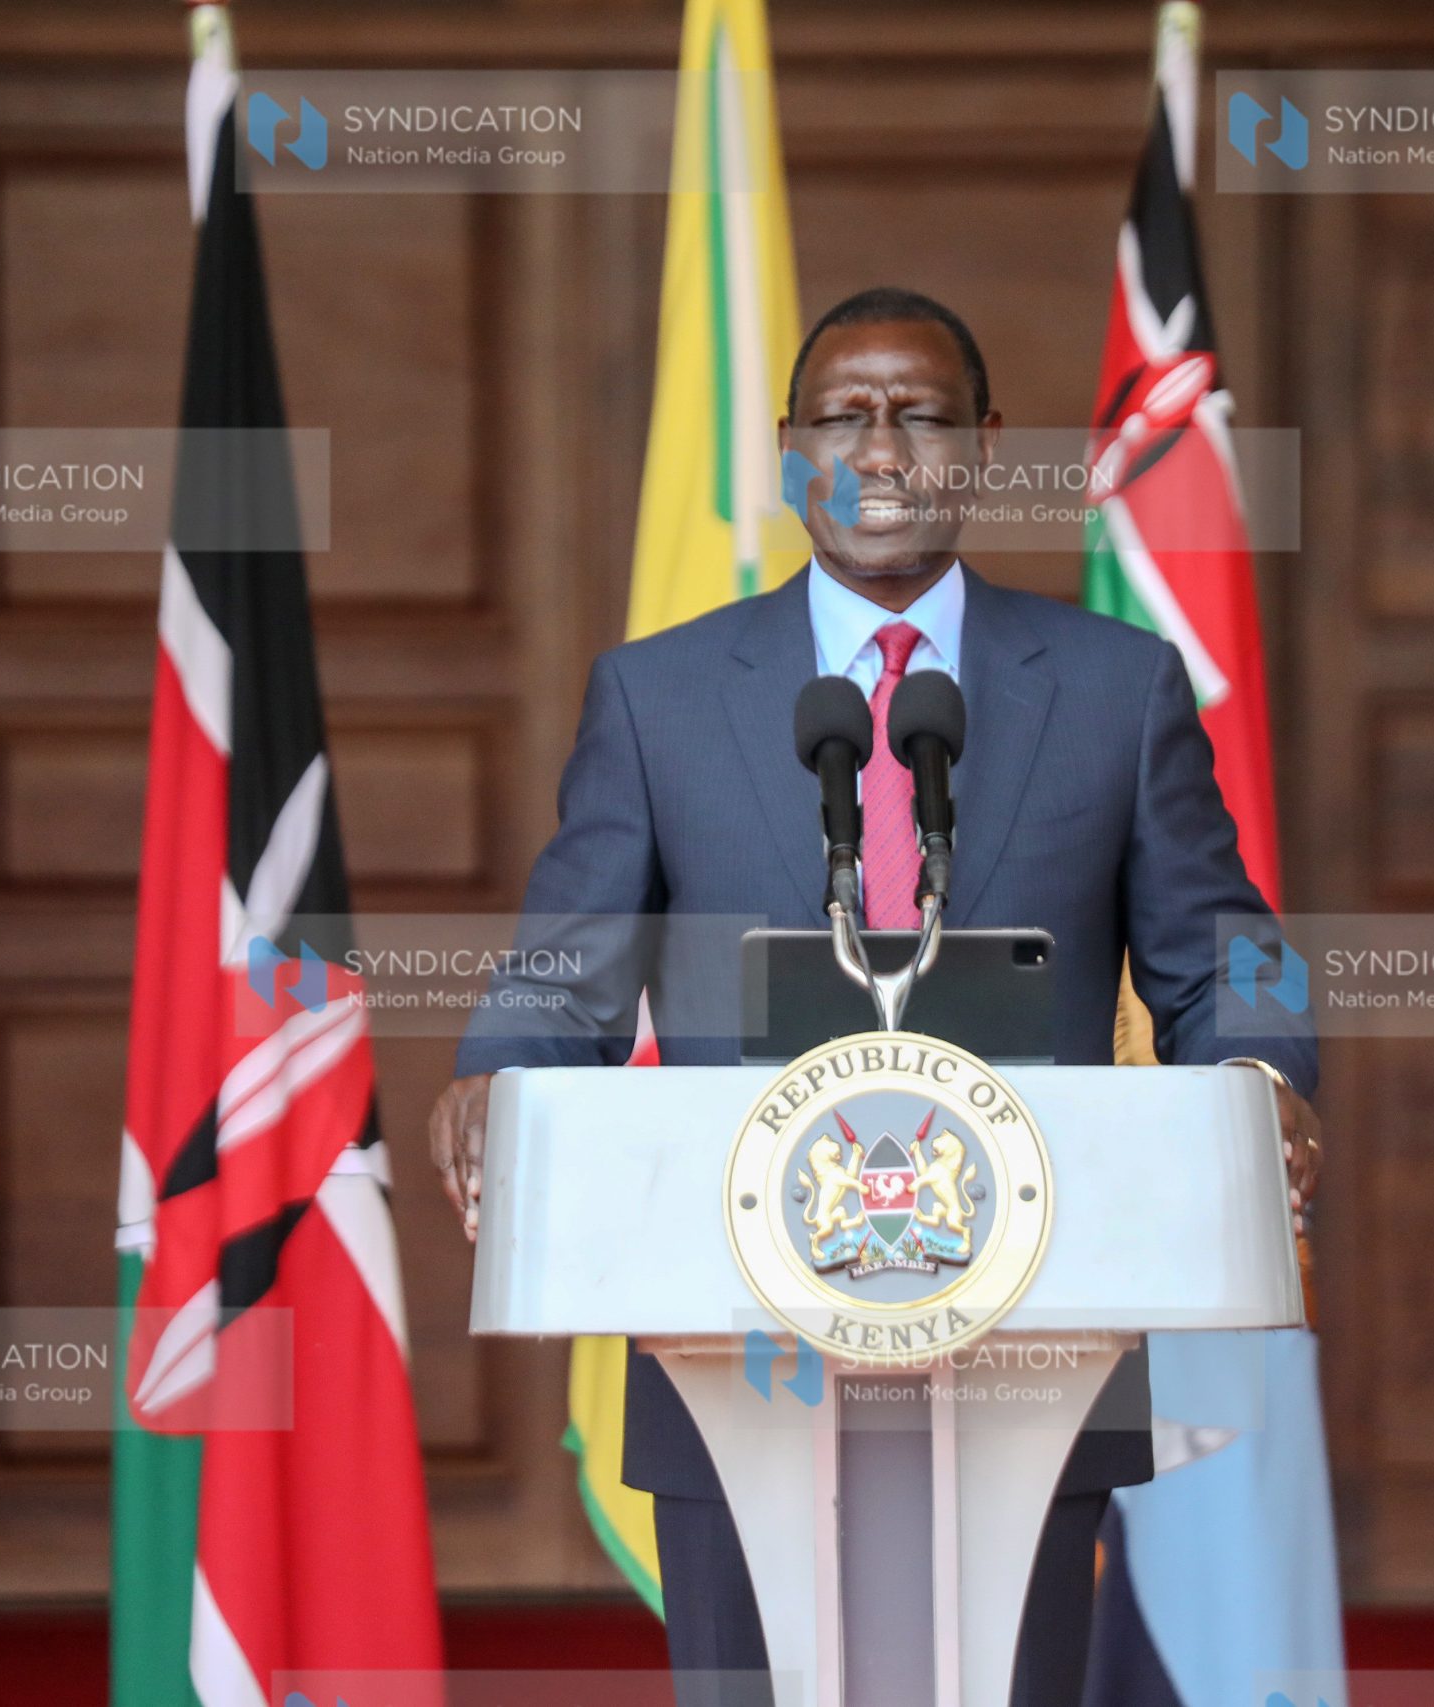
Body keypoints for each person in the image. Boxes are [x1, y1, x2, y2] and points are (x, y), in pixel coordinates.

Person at [429, 286, 1322, 1705]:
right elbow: (568, 962)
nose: (883, 450)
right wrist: (502, 1073)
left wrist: (1262, 1081)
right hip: (738, 1341)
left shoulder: (1116, 688)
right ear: (791, 452)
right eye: (845, 417)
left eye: (921, 415)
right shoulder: (659, 698)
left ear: (984, 445)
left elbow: (1222, 950)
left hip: (1037, 1328)